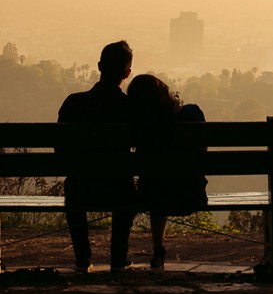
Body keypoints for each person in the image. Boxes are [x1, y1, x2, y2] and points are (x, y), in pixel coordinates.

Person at [57, 40, 137, 272]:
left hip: (81, 188)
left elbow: (60, 150)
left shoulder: (74, 103)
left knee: (73, 189)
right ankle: (118, 259)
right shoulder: (129, 107)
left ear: (99, 66)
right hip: (119, 189)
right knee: (126, 188)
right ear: (127, 73)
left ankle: (83, 258)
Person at [126, 73, 208, 270]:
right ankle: (158, 251)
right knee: (162, 184)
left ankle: (157, 251)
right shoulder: (192, 114)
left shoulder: (141, 128)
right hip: (191, 196)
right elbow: (202, 151)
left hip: (153, 197)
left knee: (158, 185)